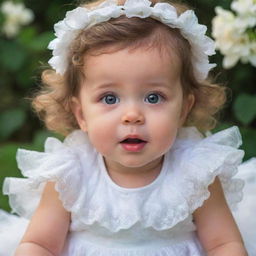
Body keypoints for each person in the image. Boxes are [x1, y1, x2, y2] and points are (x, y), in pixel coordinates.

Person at [0, 0, 255, 255]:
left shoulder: (197, 174)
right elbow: (40, 244)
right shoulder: (70, 174)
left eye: (153, 97)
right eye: (109, 98)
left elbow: (224, 244)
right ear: (81, 114)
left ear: (184, 109)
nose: (132, 116)